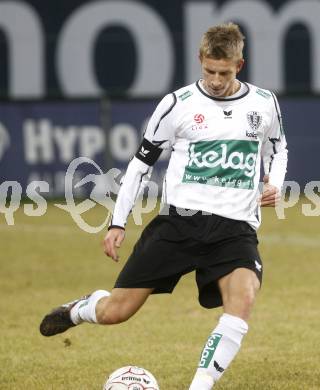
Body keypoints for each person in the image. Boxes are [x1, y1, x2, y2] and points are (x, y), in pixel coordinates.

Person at [40, 23, 288, 389]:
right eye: (209, 71)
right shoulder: (177, 105)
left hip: (235, 229)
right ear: (200, 60)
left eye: (224, 72)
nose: (216, 80)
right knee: (116, 312)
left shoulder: (263, 103)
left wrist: (275, 182)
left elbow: (279, 148)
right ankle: (83, 308)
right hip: (179, 225)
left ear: (240, 64)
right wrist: (117, 222)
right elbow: (140, 165)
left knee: (243, 301)